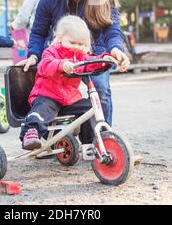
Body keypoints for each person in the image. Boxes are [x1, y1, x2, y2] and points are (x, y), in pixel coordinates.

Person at [17, 0, 130, 127]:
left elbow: (112, 29)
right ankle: (50, 135)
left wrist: (116, 48)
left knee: (101, 91)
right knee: (53, 94)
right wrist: (33, 55)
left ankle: (105, 138)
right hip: (60, 56)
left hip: (91, 55)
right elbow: (38, 32)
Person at [20, 15, 116, 150]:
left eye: (81, 44)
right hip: (48, 95)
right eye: (73, 42)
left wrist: (103, 59)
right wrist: (61, 64)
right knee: (42, 110)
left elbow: (89, 63)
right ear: (59, 39)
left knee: (90, 109)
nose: (77, 47)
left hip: (69, 99)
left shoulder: (81, 56)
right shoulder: (51, 52)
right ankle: (30, 133)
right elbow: (45, 65)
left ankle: (90, 144)